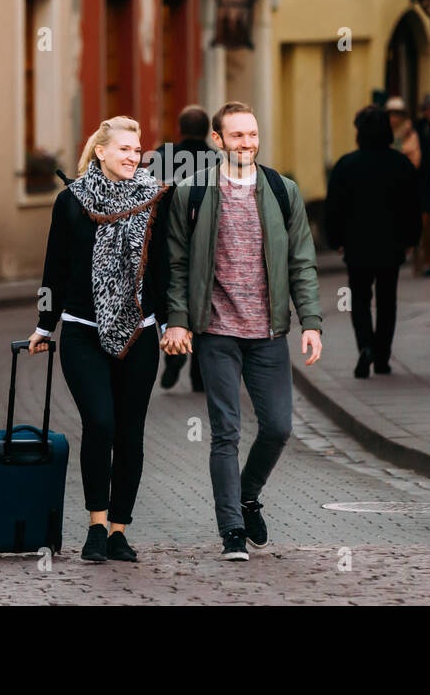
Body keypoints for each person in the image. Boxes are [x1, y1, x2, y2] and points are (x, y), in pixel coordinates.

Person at [161, 101, 323, 561]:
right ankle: (231, 527)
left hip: (268, 332)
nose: (247, 143)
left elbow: (302, 263)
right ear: (217, 140)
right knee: (225, 432)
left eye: (252, 135)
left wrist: (310, 322)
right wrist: (177, 318)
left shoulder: (282, 190)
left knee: (277, 427)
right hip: (216, 332)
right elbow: (175, 264)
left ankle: (248, 495)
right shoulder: (191, 194)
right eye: (237, 136)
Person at [26, 116, 169, 564]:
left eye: (137, 148)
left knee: (130, 432)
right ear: (101, 152)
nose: (133, 155)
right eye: (124, 148)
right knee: (101, 424)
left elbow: (164, 268)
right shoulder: (71, 202)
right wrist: (44, 325)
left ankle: (119, 531)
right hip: (83, 331)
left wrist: (171, 324)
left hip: (140, 333)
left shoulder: (155, 198)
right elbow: (54, 268)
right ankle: (96, 524)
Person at [325, 105, 421, 379]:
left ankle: (365, 346)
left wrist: (336, 240)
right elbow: (412, 207)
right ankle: (382, 357)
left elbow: (334, 208)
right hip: (391, 245)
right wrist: (411, 239)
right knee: (387, 300)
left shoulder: (346, 165)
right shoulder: (400, 164)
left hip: (357, 245)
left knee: (360, 299)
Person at [147, 106, 220, 393]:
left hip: (169, 244)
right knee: (204, 305)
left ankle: (175, 356)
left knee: (174, 298)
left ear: (179, 128)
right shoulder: (216, 159)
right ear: (206, 130)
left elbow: (150, 201)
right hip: (206, 243)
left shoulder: (164, 157)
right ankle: (200, 374)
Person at [413, 92, 430, 276]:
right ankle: (424, 261)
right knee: (424, 223)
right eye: (428, 109)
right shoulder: (419, 128)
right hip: (423, 180)